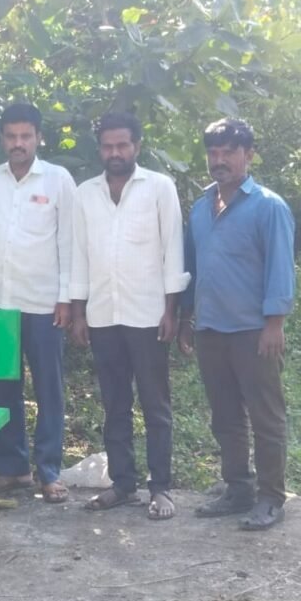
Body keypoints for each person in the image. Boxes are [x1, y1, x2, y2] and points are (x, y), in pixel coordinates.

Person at [69, 112, 190, 520]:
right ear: (100, 149)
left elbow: (172, 250)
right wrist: (79, 313)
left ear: (137, 146)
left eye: (122, 145)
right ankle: (122, 484)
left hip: (148, 314)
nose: (115, 153)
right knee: (114, 405)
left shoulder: (159, 187)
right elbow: (79, 255)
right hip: (103, 315)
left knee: (155, 405)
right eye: (108, 146)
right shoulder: (85, 194)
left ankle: (161, 488)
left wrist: (172, 310)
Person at [178, 118, 296, 531]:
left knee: (265, 416)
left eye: (229, 152)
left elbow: (280, 269)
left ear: (248, 154)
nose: (220, 160)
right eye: (213, 152)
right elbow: (193, 268)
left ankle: (270, 498)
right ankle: (237, 489)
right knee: (225, 416)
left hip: (253, 332)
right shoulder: (200, 207)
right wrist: (186, 318)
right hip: (211, 330)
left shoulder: (268, 206)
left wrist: (274, 324)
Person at [0, 103, 76, 504]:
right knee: (2, 390)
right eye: (12, 136)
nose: (19, 144)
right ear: (2, 139)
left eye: (26, 136)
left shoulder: (58, 179)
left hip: (44, 303)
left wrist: (67, 297)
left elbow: (69, 241)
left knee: (49, 389)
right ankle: (11, 468)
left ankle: (49, 470)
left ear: (37, 137)